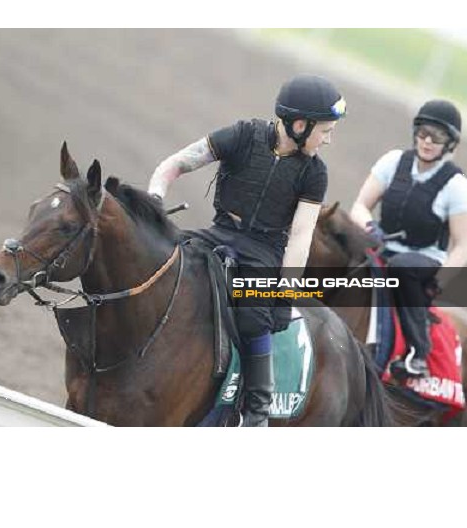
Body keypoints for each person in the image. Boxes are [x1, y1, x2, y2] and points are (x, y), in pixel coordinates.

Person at [147, 75, 346, 426]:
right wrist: (154, 199)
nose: (328, 139)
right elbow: (174, 165)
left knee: (255, 316)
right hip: (217, 234)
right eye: (325, 130)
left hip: (264, 254)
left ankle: (256, 410)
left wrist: (285, 293)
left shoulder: (315, 173)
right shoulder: (242, 135)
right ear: (300, 125)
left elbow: (300, 236)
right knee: (166, 263)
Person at [350, 99, 467, 377]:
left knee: (402, 265)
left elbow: (462, 244)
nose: (427, 141)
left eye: (437, 137)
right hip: (382, 246)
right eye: (423, 132)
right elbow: (359, 206)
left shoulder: (456, 186)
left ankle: (418, 353)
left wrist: (439, 283)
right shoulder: (392, 162)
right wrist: (370, 228)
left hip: (425, 262)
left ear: (450, 143)